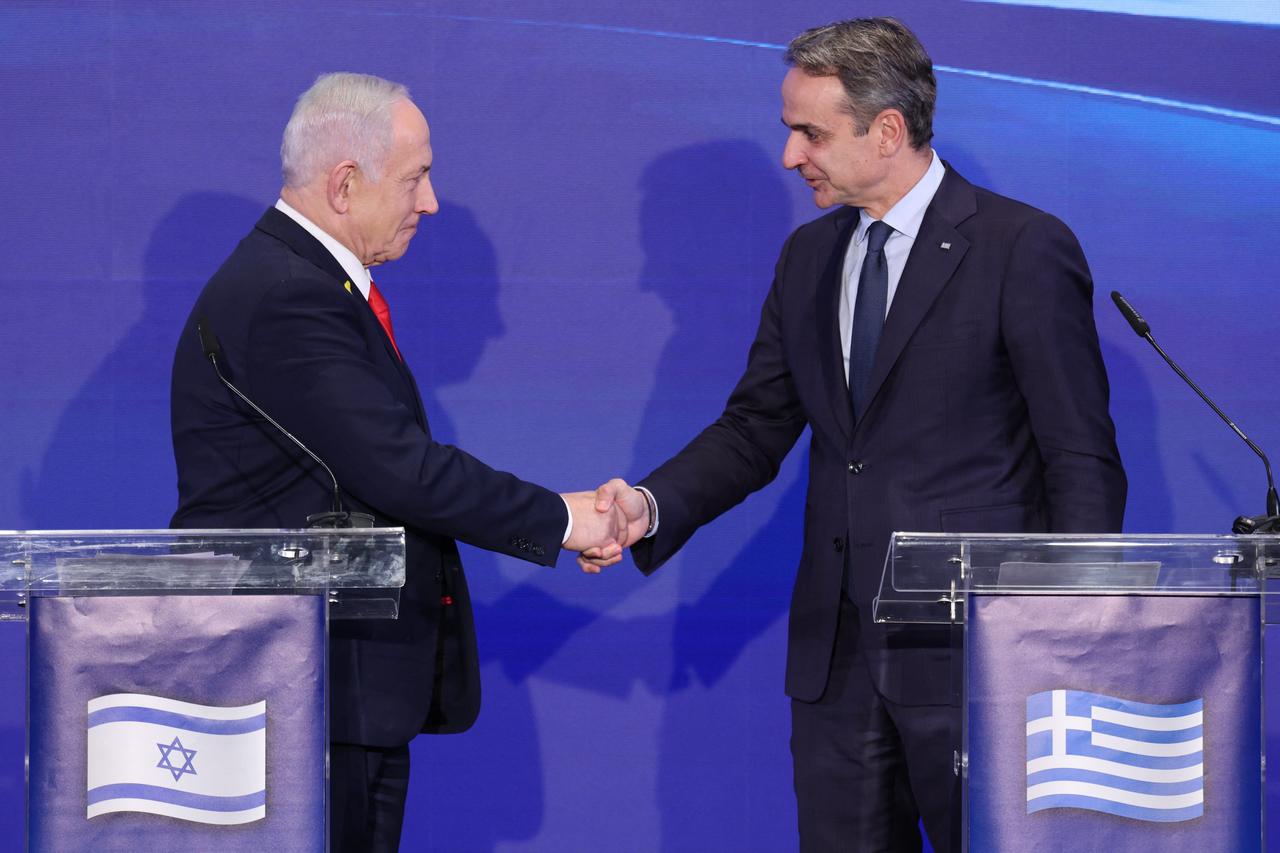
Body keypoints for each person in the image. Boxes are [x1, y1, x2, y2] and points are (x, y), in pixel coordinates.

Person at [586, 17, 1127, 852]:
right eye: (791, 131)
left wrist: (1072, 641)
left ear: (887, 130)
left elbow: (1079, 456)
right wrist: (648, 506)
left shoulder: (1020, 247)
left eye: (810, 133)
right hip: (835, 664)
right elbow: (755, 427)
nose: (791, 156)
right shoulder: (808, 258)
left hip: (979, 659)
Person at [169, 72, 623, 852]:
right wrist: (566, 518)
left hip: (338, 689)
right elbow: (399, 468)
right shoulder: (286, 295)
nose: (431, 201)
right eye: (416, 178)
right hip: (301, 688)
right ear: (345, 183)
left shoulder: (308, 283)